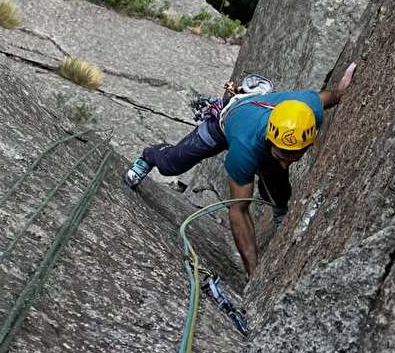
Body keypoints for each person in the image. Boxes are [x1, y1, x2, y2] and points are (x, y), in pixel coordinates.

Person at [123, 63, 355, 278]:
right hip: (225, 124)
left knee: (276, 177)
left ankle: (280, 210)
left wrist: (344, 88)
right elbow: (238, 212)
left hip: (256, 120)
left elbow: (332, 97)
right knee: (171, 165)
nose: (286, 163)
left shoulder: (307, 109)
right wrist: (253, 274)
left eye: (293, 155)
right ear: (270, 140)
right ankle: (149, 155)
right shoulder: (244, 149)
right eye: (281, 155)